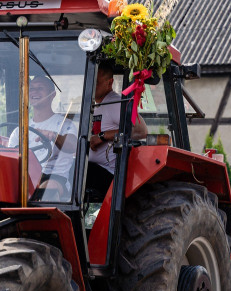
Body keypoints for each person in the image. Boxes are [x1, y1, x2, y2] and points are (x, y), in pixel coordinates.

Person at [85, 63, 148, 197]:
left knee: (80, 172)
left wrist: (102, 136)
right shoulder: (94, 105)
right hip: (96, 170)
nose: (90, 86)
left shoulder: (115, 103)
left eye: (95, 82)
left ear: (110, 83)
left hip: (111, 175)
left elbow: (141, 131)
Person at [8, 75, 77, 196]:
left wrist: (54, 136)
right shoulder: (19, 130)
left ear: (52, 94)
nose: (35, 91)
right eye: (32, 88)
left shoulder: (65, 124)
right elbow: (10, 160)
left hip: (53, 178)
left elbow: (73, 146)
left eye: (40, 88)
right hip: (25, 177)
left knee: (48, 187)